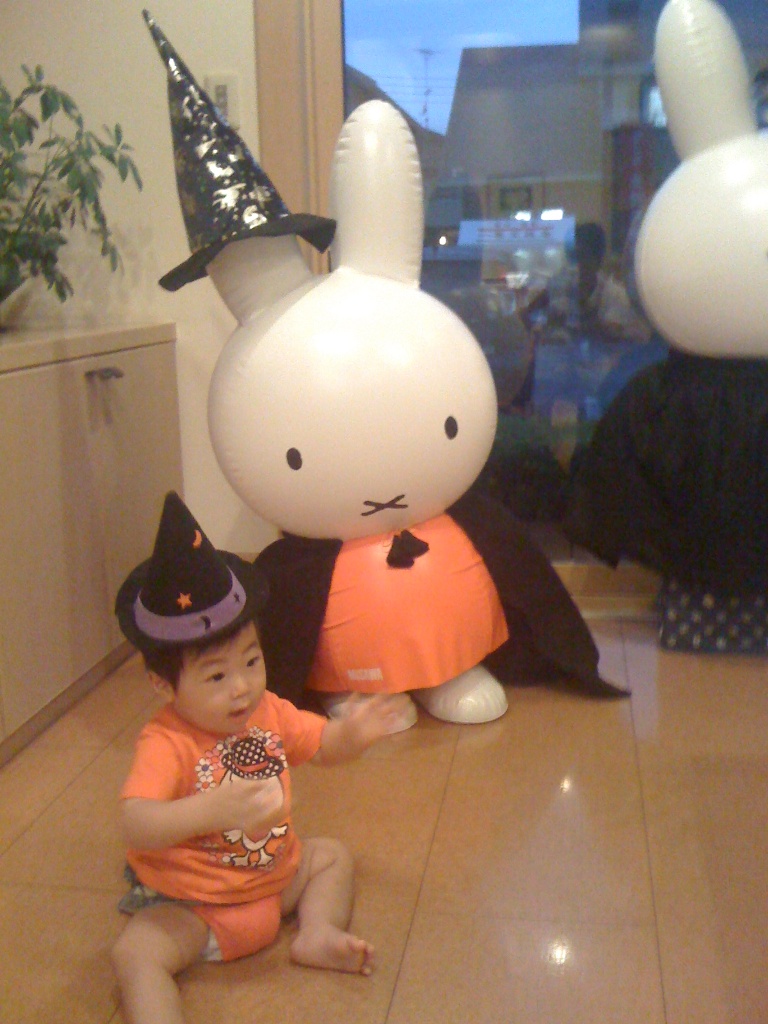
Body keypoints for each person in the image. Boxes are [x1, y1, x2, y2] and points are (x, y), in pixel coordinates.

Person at [111, 491, 411, 1024]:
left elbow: (323, 745)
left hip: (275, 880)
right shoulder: (166, 741)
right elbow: (135, 822)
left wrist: (354, 734)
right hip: (195, 904)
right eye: (216, 675)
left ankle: (317, 932)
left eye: (251, 661)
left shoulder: (268, 710)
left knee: (332, 857)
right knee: (134, 954)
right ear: (163, 685)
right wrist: (210, 810)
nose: (242, 687)